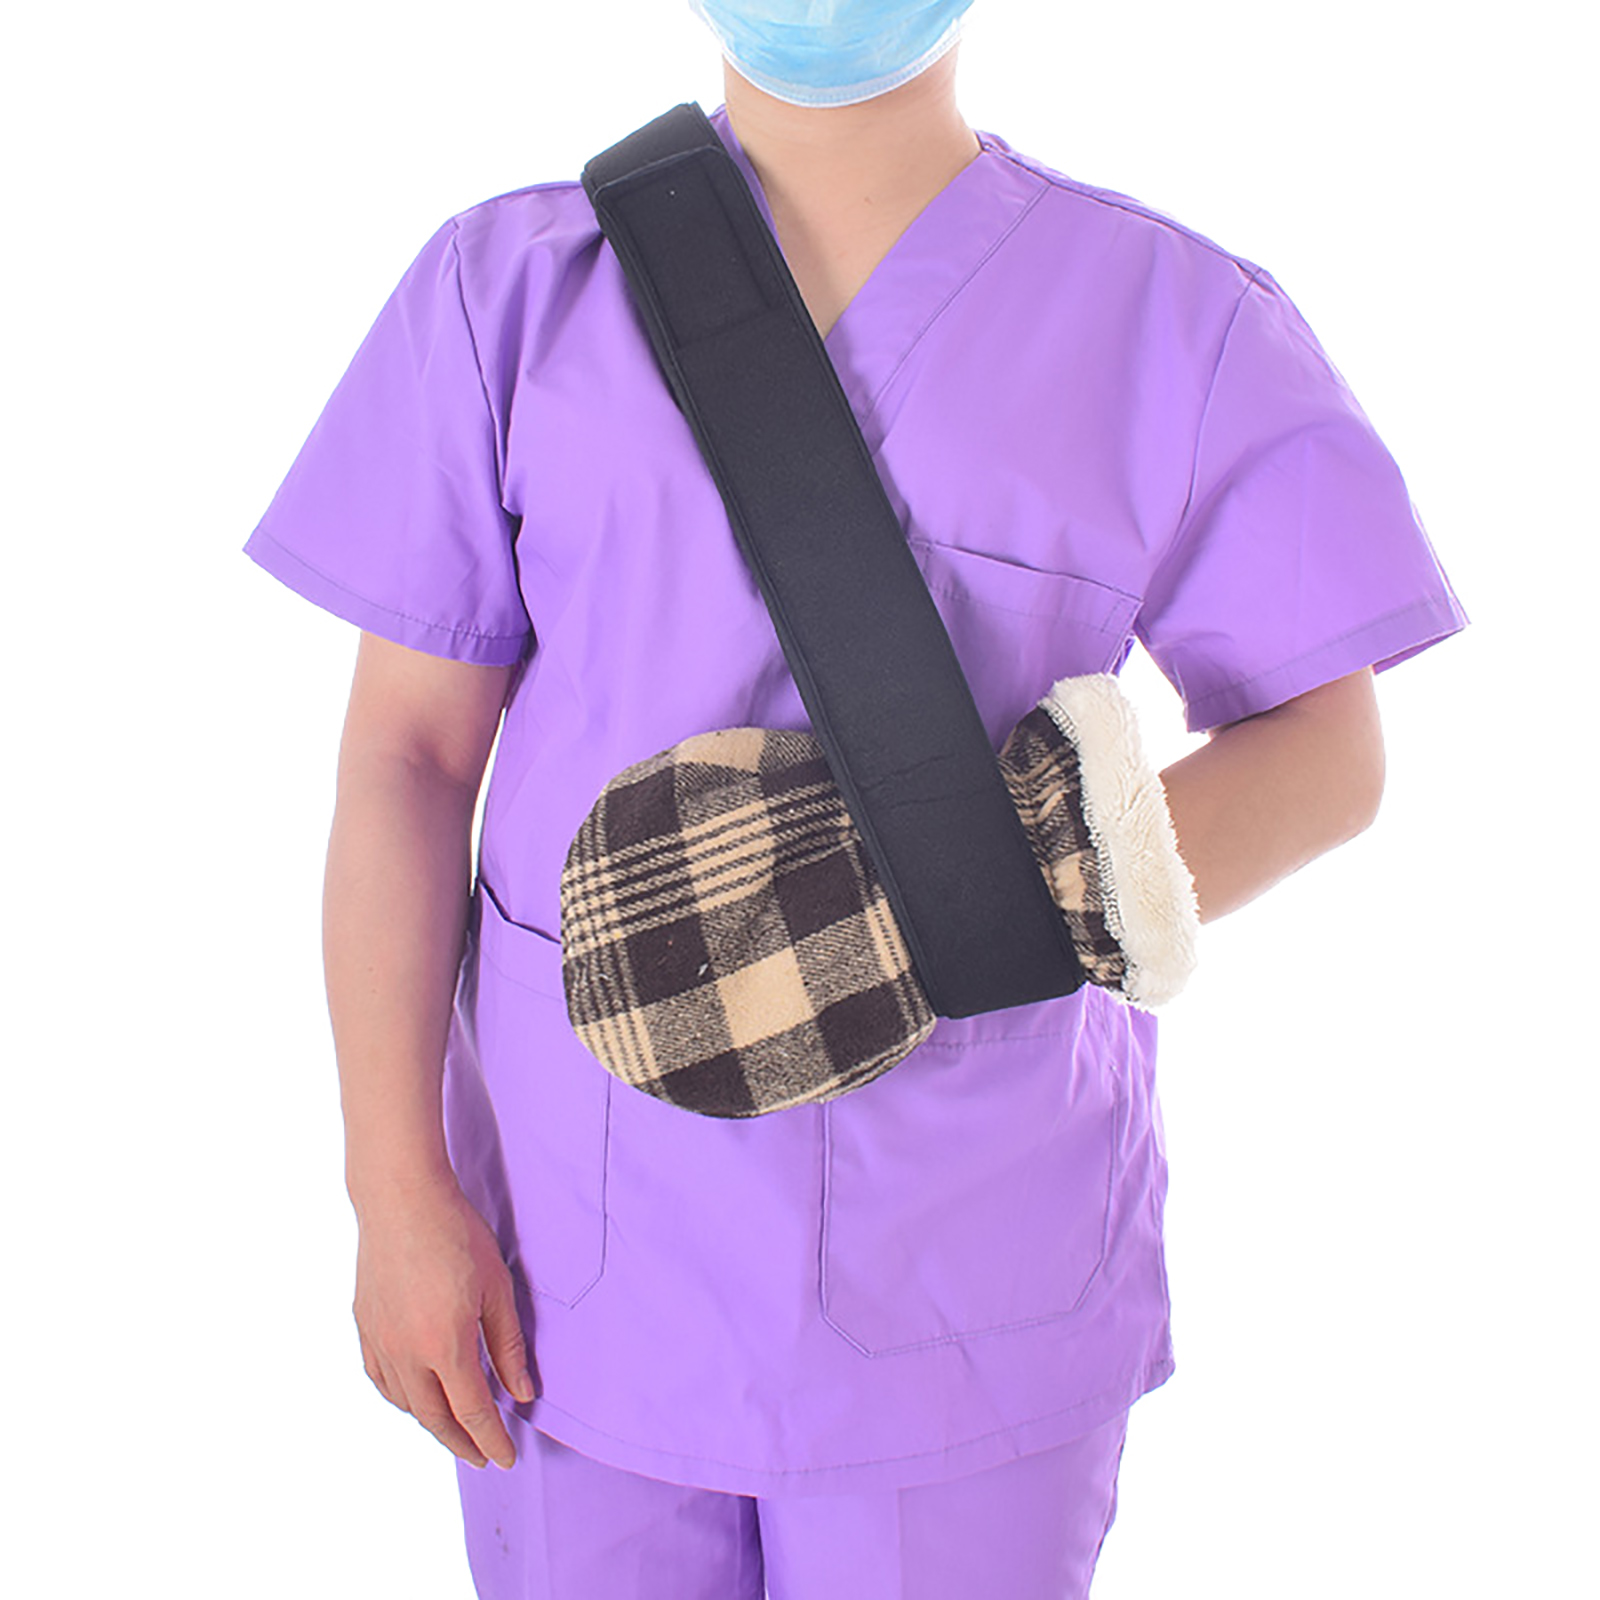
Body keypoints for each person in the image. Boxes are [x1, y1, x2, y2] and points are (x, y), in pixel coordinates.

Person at [242, 3, 1469, 1594]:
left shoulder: (1172, 320)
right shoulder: (508, 293)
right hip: (578, 1260)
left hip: (974, 1272)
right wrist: (395, 1188)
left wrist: (1009, 889)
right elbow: (408, 762)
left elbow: (1328, 747)